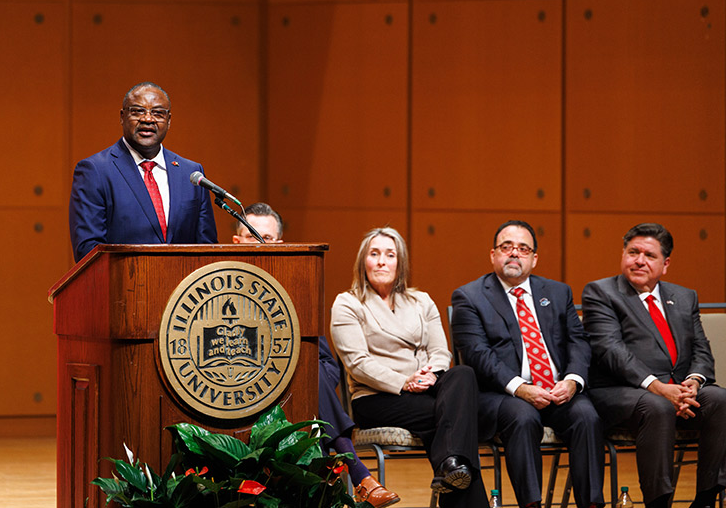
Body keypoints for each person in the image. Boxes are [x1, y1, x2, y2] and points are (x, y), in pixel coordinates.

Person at [233, 207, 399, 507]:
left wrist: (303, 381)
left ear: (279, 244)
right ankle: (358, 474)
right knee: (311, 386)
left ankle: (339, 481)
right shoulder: (223, 294)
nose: (258, 243)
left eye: (266, 237)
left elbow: (327, 364)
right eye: (250, 236)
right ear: (236, 242)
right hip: (249, 393)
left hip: (300, 395)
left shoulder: (296, 293)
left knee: (314, 374)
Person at [451, 220, 604, 508]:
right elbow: (477, 354)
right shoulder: (469, 297)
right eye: (506, 247)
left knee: (586, 416)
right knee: (523, 416)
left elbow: (578, 341)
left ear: (534, 259)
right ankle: (531, 505)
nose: (514, 253)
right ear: (493, 255)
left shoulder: (558, 292)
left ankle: (592, 504)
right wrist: (521, 388)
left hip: (557, 391)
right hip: (501, 396)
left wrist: (572, 381)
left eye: (523, 249)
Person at [331, 226, 488, 508]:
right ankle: (453, 465)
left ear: (400, 262)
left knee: (463, 374)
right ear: (362, 261)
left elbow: (440, 352)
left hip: (425, 389)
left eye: (390, 255)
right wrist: (404, 381)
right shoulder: (348, 303)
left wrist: (430, 375)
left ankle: (450, 466)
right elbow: (357, 363)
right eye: (374, 254)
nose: (382, 261)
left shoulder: (421, 301)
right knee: (456, 416)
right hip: (377, 397)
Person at [582, 223, 726, 508]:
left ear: (665, 264)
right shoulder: (601, 293)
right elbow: (611, 351)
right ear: (623, 254)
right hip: (620, 393)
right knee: (657, 406)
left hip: (676, 392)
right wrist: (659, 388)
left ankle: (707, 499)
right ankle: (658, 502)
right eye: (633, 252)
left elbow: (701, 349)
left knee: (720, 399)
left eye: (649, 255)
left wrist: (693, 383)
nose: (639, 260)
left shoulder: (685, 297)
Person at [69, 81, 217, 262]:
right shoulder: (95, 171)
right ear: (122, 117)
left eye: (158, 113)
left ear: (169, 120)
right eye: (138, 111)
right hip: (125, 280)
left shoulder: (191, 173)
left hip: (185, 280)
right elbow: (88, 251)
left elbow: (208, 248)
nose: (148, 119)